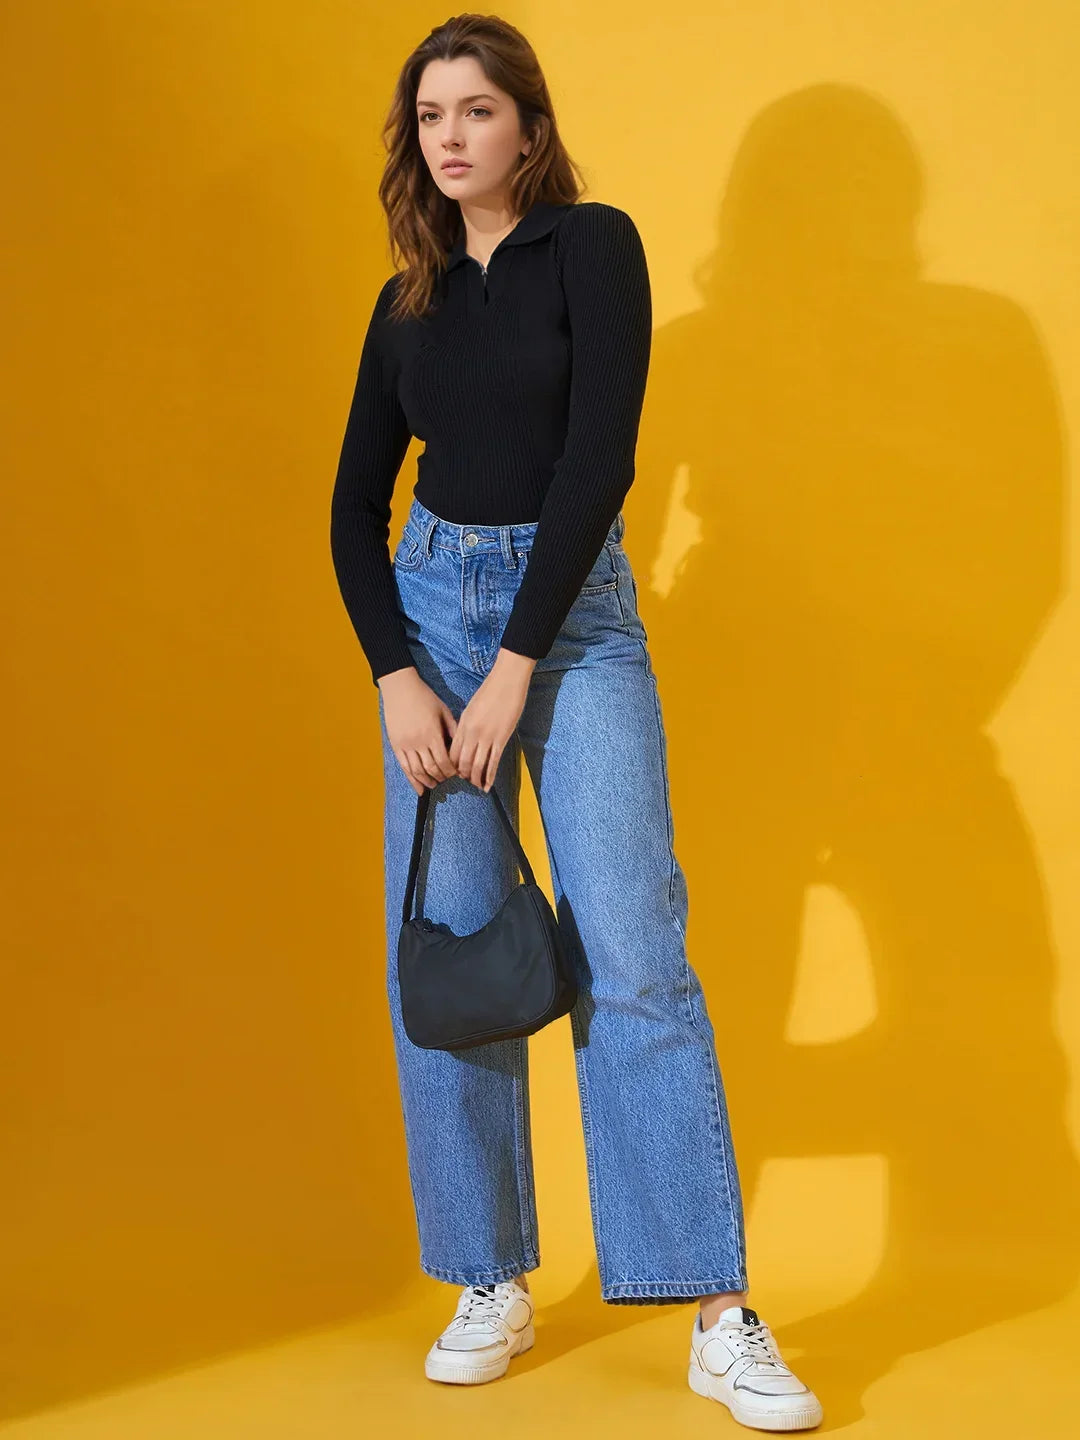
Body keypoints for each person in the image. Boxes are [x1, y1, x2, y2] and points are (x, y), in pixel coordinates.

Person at [329, 13, 823, 1431]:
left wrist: (513, 665)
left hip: (575, 622)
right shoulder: (406, 300)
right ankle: (487, 1277)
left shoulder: (592, 247)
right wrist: (398, 672)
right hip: (432, 618)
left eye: (478, 110)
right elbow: (352, 508)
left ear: (529, 128)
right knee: (456, 956)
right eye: (432, 116)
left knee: (635, 948)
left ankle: (715, 1311)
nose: (453, 136)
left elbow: (599, 458)